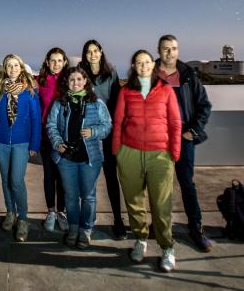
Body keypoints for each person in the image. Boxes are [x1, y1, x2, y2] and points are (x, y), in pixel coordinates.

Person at [113, 50, 181, 273]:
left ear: (154, 65)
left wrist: (174, 153)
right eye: (138, 63)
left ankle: (167, 247)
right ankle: (140, 239)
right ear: (133, 66)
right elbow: (119, 121)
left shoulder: (166, 90)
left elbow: (175, 122)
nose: (143, 66)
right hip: (130, 152)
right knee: (134, 202)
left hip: (160, 155)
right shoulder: (126, 91)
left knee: (161, 204)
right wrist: (118, 151)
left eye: (146, 62)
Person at [157, 34, 213, 252]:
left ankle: (196, 228)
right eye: (165, 49)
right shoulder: (150, 73)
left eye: (173, 48)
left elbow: (204, 105)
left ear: (178, 51)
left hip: (183, 139)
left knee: (187, 184)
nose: (170, 52)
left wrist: (194, 130)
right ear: (159, 50)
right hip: (158, 139)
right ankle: (160, 226)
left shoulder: (188, 75)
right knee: (159, 186)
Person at [46, 67, 112, 248]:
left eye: (79, 79)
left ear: (85, 81)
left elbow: (107, 126)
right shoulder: (59, 103)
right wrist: (57, 143)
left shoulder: (96, 103)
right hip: (66, 158)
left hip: (89, 158)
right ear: (67, 83)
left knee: (88, 195)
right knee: (70, 195)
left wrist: (93, 131)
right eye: (71, 80)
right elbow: (51, 126)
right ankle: (73, 227)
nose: (75, 83)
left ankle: (86, 229)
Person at [78, 39, 126, 240]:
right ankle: (87, 220)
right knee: (87, 181)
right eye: (88, 52)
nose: (92, 55)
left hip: (106, 133)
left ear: (101, 52)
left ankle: (118, 220)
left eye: (95, 51)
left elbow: (116, 102)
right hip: (86, 134)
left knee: (111, 178)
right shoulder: (80, 72)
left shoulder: (111, 73)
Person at [0, 54, 41, 242]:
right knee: (5, 179)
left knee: (16, 181)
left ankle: (23, 218)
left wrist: (34, 144)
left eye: (16, 65)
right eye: (9, 65)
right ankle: (10, 212)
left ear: (21, 68)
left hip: (22, 142)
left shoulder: (29, 92)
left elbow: (36, 119)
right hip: (1, 141)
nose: (12, 68)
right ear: (5, 68)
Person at [37, 47, 69, 233]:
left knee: (62, 176)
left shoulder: (69, 80)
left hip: (64, 138)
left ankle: (61, 212)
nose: (56, 64)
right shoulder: (40, 81)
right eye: (52, 60)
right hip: (45, 137)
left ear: (65, 62)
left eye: (59, 60)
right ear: (47, 62)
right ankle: (50, 212)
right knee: (49, 175)